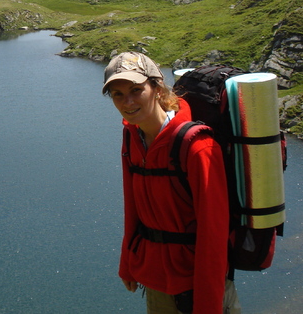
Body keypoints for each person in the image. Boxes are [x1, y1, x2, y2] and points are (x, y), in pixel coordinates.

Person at [102, 51, 239, 314]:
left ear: (156, 87)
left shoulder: (197, 146)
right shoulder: (132, 135)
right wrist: (128, 262)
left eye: (135, 89)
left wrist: (208, 304)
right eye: (118, 94)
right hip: (156, 279)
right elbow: (132, 205)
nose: (127, 101)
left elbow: (214, 233)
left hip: (198, 284)